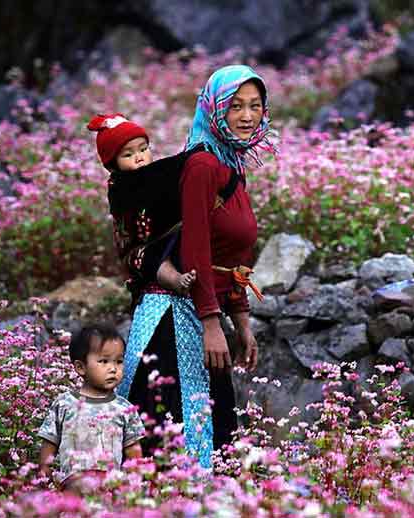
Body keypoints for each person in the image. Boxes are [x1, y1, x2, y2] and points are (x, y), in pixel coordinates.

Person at [117, 64, 274, 468]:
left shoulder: (231, 166)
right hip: (173, 316)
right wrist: (210, 323)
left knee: (212, 430)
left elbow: (232, 254)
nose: (246, 115)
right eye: (234, 105)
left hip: (202, 308)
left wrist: (240, 321)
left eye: (255, 106)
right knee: (176, 438)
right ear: (214, 108)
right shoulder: (202, 166)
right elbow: (197, 246)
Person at [87, 113, 197, 298]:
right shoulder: (121, 185)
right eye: (128, 154)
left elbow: (167, 171)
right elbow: (169, 168)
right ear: (113, 164)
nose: (139, 157)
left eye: (143, 149)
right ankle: (177, 281)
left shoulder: (153, 174)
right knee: (153, 261)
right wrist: (190, 156)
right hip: (141, 246)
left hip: (170, 234)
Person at [38, 324, 145, 492]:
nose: (113, 368)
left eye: (119, 361)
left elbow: (133, 449)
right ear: (81, 367)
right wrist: (45, 470)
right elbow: (50, 440)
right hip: (73, 485)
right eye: (104, 361)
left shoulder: (125, 408)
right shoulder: (64, 404)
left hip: (110, 487)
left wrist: (134, 481)